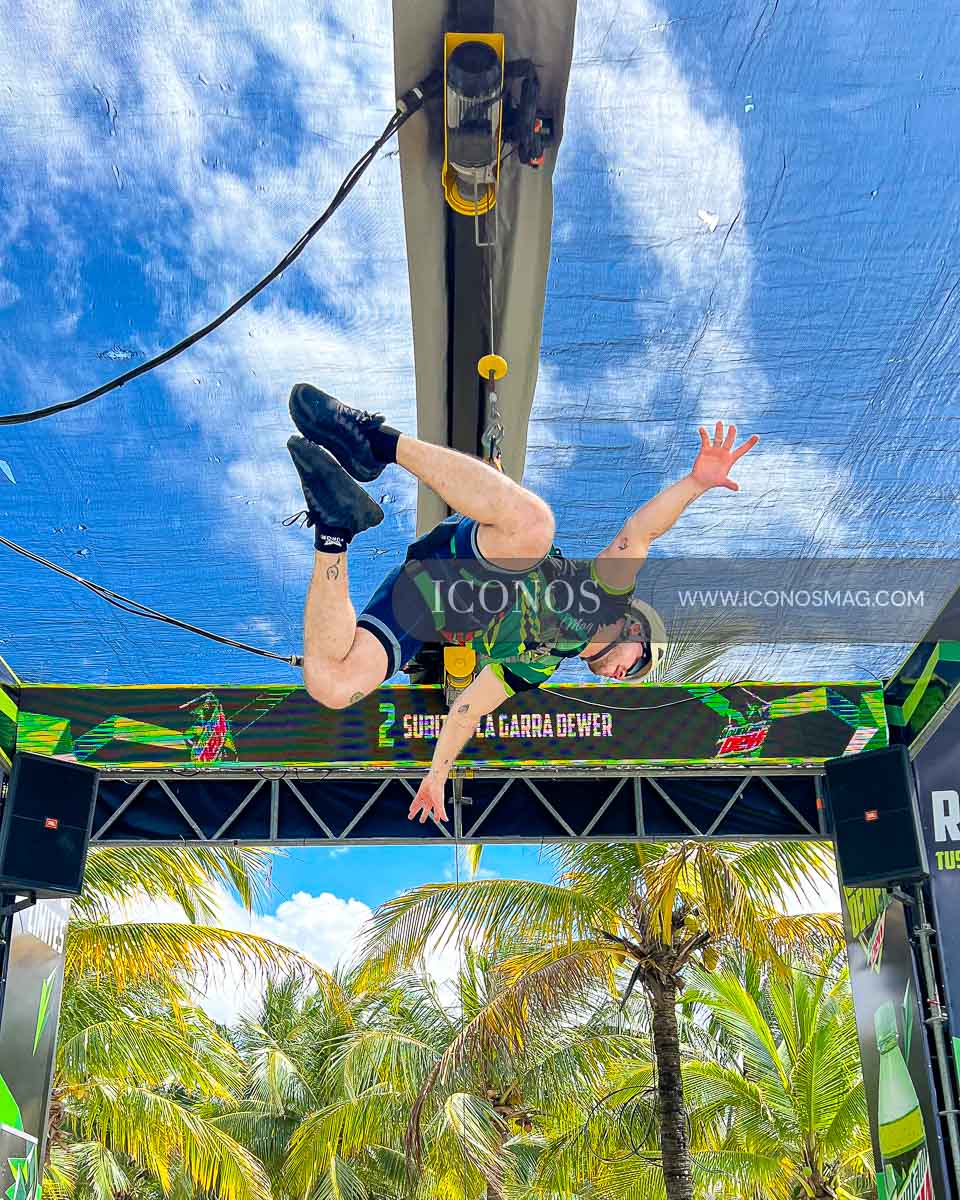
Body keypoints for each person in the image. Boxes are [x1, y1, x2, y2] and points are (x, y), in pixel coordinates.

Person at [285, 383, 759, 825]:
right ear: (635, 629)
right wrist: (696, 483)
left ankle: (336, 526)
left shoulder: (538, 666)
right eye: (638, 663)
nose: (627, 675)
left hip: (420, 602)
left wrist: (436, 776)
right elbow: (640, 533)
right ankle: (375, 442)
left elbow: (467, 711)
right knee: (536, 527)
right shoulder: (606, 597)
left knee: (333, 686)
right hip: (477, 557)